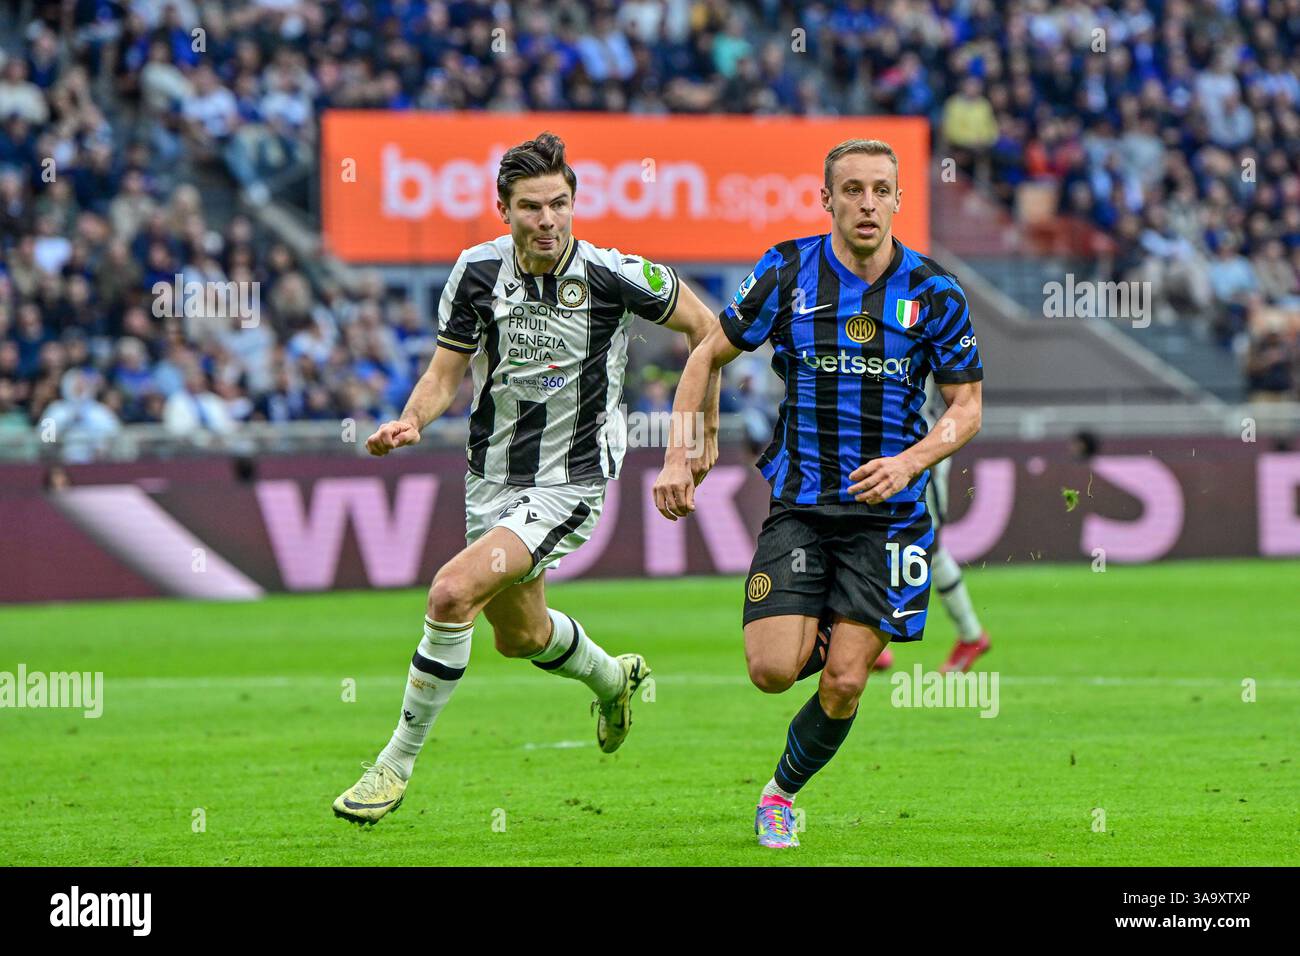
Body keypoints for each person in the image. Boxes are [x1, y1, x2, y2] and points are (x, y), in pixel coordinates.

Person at [333, 132, 720, 824]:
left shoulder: (612, 274)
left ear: (574, 204)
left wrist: (694, 442)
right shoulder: (476, 273)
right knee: (519, 635)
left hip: (571, 477)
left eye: (560, 205)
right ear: (503, 209)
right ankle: (612, 680)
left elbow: (708, 330)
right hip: (492, 477)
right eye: (532, 207)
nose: (548, 220)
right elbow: (446, 370)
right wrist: (413, 420)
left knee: (452, 594)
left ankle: (394, 761)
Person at [653, 139, 983, 849]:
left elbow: (967, 407)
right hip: (802, 504)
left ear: (899, 199)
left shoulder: (935, 292)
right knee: (771, 671)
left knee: (843, 685)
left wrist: (910, 462)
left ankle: (779, 796)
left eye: (881, 190)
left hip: (890, 517)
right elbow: (709, 348)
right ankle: (832, 623)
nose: (867, 203)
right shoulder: (787, 269)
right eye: (853, 189)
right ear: (826, 199)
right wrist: (681, 450)